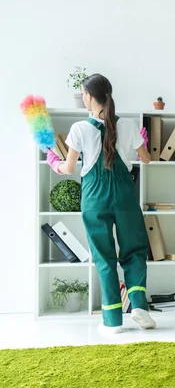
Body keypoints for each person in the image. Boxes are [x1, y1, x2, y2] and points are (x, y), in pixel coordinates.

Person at [45, 73, 156, 334]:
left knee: (104, 257)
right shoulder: (128, 125)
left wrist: (53, 161)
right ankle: (138, 305)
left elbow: (69, 167)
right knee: (135, 249)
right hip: (125, 194)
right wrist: (143, 141)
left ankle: (112, 321)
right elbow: (147, 159)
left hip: (94, 197)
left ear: (88, 96)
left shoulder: (79, 129)